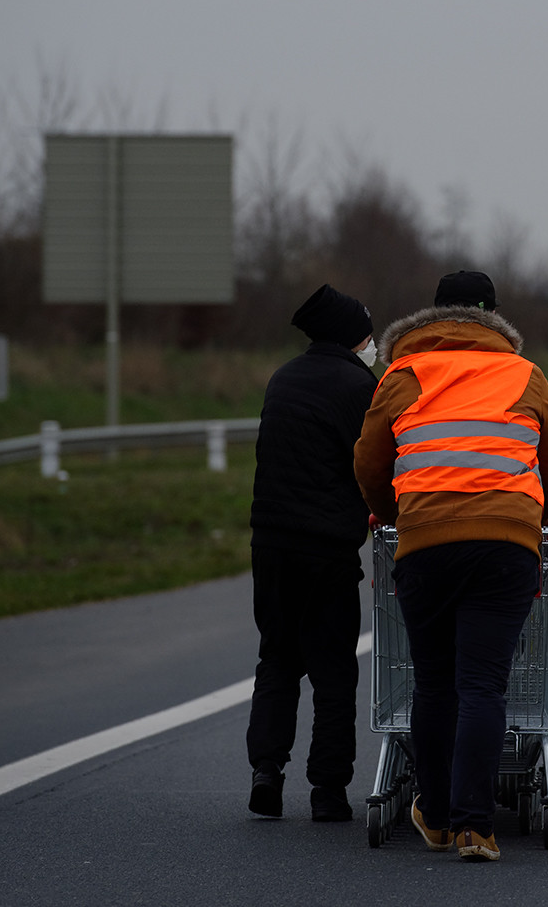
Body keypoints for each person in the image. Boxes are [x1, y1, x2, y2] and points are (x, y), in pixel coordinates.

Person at [354, 270, 548, 862]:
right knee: (483, 684)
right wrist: (539, 511)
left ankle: (439, 813)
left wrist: (387, 512)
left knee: (433, 682)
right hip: (506, 548)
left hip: (424, 543)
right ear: (493, 322)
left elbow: (370, 460)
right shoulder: (524, 375)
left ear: (433, 319)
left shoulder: (402, 375)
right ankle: (477, 827)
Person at [246, 283, 378, 822]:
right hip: (327, 550)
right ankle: (327, 790)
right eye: (369, 335)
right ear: (352, 338)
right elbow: (372, 463)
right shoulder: (358, 385)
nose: (373, 346)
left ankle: (266, 774)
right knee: (332, 673)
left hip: (271, 545)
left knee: (277, 658)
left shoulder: (283, 379)